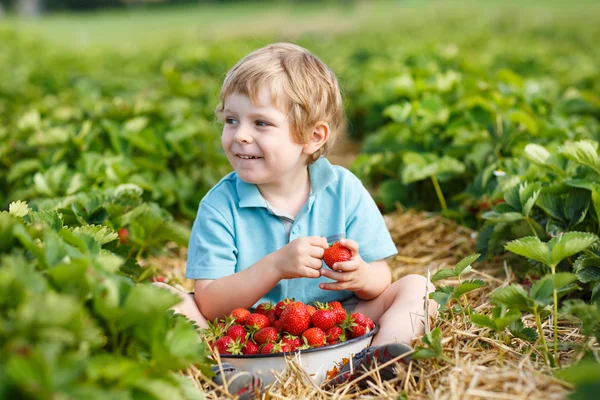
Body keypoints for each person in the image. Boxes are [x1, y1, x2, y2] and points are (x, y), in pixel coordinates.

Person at [155, 42, 436, 396]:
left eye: (260, 122)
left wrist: (362, 275)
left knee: (418, 287)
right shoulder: (219, 205)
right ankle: (220, 375)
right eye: (231, 120)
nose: (240, 134)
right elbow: (209, 303)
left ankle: (376, 362)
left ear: (312, 137)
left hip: (339, 329)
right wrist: (274, 266)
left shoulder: (344, 189)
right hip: (246, 343)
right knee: (161, 296)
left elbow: (382, 278)